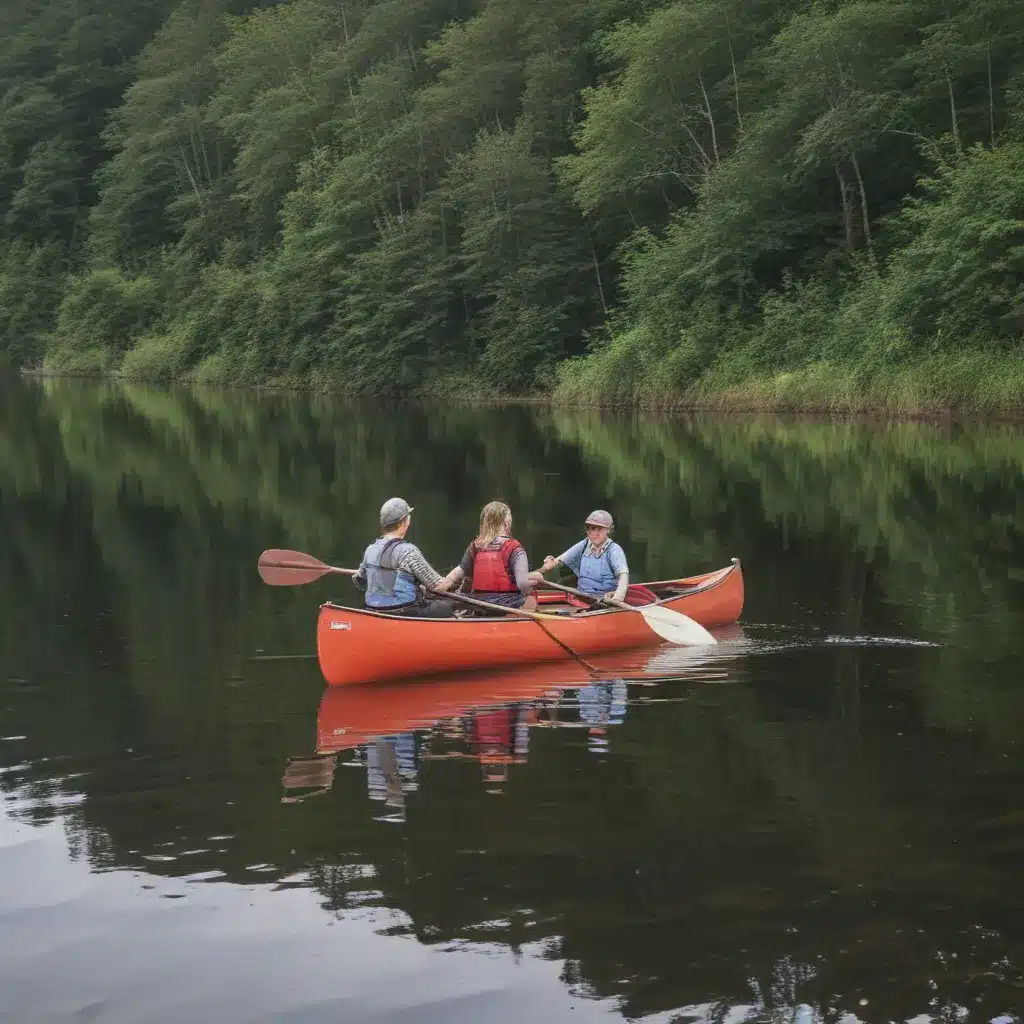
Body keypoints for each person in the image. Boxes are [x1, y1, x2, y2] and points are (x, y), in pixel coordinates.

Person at [353, 497, 455, 617]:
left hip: (373, 608)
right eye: (408, 516)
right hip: (403, 610)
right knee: (447, 607)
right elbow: (438, 587)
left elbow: (361, 580)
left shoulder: (370, 549)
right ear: (402, 521)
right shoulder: (408, 551)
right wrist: (454, 577)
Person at [443, 500, 537, 613]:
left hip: (479, 604)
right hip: (506, 605)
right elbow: (522, 585)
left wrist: (440, 587)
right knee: (531, 600)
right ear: (506, 524)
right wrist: (536, 580)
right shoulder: (515, 548)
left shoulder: (476, 546)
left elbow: (456, 574)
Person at [531, 509, 630, 603]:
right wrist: (546, 567)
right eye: (591, 529)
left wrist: (617, 599)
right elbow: (559, 560)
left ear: (608, 530)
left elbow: (623, 575)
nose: (594, 533)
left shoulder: (614, 550)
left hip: (602, 602)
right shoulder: (584, 544)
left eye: (599, 529)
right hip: (581, 599)